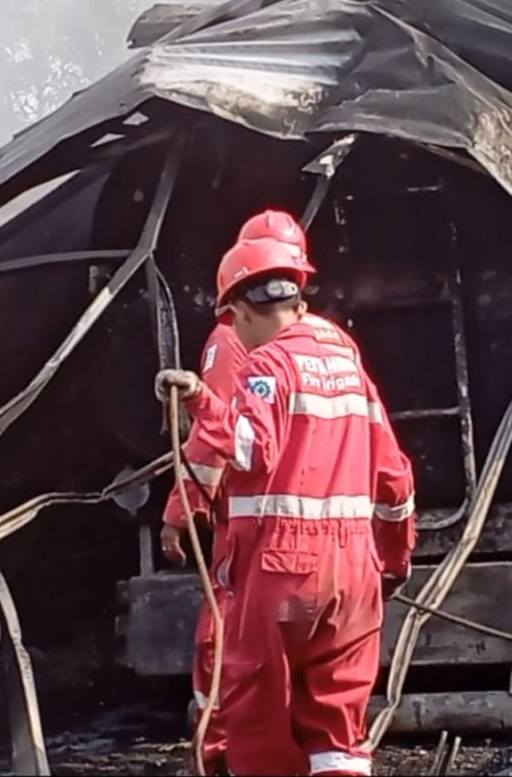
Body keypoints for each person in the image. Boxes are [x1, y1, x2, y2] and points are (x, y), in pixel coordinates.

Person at [158, 235, 416, 777]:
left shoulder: (266, 365)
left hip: (284, 576)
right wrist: (393, 562)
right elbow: (395, 481)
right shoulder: (352, 372)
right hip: (354, 580)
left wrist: (204, 402)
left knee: (259, 718)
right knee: (339, 731)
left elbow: (253, 449)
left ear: (243, 310)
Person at [158, 210, 322, 773]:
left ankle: (221, 752)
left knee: (224, 638)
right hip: (311, 534)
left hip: (254, 525)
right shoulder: (324, 345)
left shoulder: (232, 338)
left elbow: (213, 436)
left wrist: (180, 512)